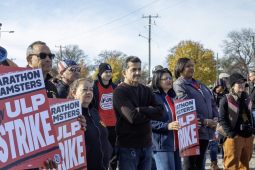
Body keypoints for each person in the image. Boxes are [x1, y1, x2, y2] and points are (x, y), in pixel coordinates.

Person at [113, 56, 164, 170]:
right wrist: (151, 112)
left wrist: (141, 109)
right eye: (133, 70)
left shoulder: (146, 90)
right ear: (124, 73)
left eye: (139, 69)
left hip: (147, 146)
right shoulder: (119, 91)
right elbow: (132, 117)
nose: (138, 73)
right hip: (128, 147)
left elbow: (160, 112)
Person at [173, 58, 219, 170]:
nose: (192, 68)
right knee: (190, 165)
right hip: (191, 131)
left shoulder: (199, 83)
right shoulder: (179, 84)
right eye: (188, 66)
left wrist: (215, 117)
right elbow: (185, 107)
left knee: (200, 164)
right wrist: (205, 121)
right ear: (180, 68)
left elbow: (212, 101)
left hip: (205, 131)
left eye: (192, 65)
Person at [68, 78, 112, 170]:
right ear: (74, 93)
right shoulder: (70, 116)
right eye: (85, 89)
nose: (89, 92)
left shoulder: (94, 112)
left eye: (91, 89)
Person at [217, 73, 255, 170]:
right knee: (231, 166)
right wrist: (232, 135)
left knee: (245, 166)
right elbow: (222, 119)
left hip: (248, 137)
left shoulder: (247, 98)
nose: (242, 84)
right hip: (233, 138)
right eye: (239, 82)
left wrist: (253, 133)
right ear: (233, 85)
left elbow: (251, 116)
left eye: (243, 82)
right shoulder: (226, 99)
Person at [151, 68, 182, 170]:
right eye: (165, 78)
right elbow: (149, 122)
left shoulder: (174, 97)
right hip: (162, 145)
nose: (169, 80)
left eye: (170, 77)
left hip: (177, 144)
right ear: (157, 80)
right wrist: (167, 126)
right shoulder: (153, 97)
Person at [92, 63, 117, 170]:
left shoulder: (115, 87)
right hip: (101, 126)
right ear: (100, 73)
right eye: (106, 72)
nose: (108, 74)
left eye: (110, 72)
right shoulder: (94, 87)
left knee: (114, 155)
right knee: (101, 154)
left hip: (114, 126)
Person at [203, 79, 229, 170]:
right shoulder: (209, 93)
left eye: (223, 89)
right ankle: (214, 163)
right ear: (215, 87)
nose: (222, 91)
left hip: (224, 122)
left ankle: (225, 162)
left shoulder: (227, 94)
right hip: (213, 121)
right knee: (214, 144)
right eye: (220, 89)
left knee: (224, 143)